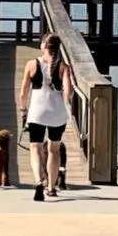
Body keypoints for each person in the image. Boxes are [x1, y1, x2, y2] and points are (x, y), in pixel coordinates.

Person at [19, 32, 76, 203]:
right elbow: (69, 92)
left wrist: (23, 110)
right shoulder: (63, 67)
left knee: (35, 148)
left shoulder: (31, 64)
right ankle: (51, 187)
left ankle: (38, 182)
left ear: (43, 46)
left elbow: (23, 93)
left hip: (36, 111)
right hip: (57, 113)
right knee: (54, 150)